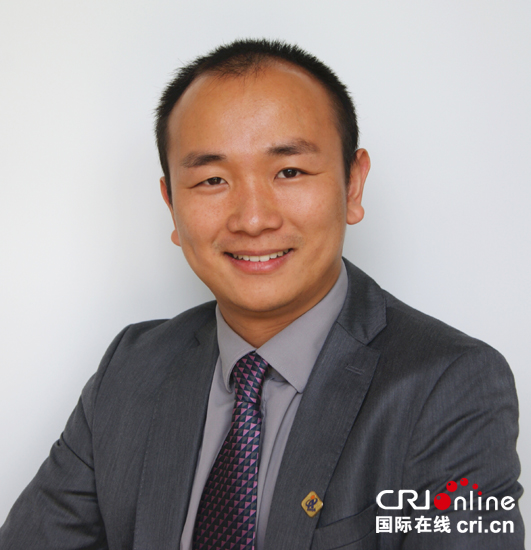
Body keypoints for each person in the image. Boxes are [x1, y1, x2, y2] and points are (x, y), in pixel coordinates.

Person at [0, 39, 524, 550]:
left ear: (353, 184)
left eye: (289, 171)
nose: (253, 219)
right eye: (212, 180)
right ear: (171, 204)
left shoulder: (450, 385)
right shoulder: (131, 369)